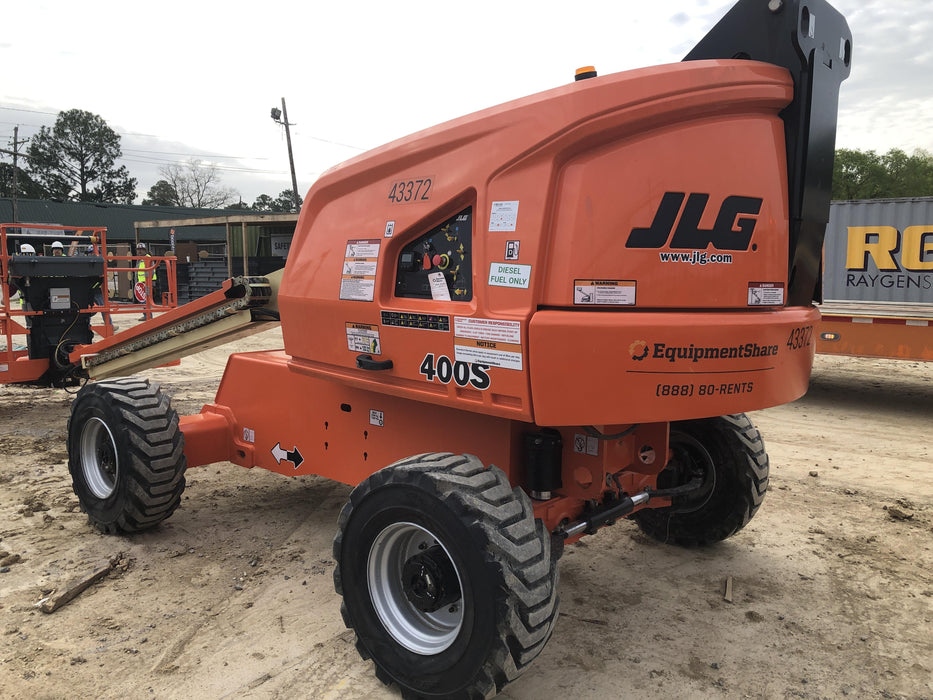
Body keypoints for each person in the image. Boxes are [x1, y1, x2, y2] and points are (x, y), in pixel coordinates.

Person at [136, 242, 157, 320]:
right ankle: (146, 315)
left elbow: (151, 271)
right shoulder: (140, 259)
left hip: (147, 282)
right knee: (143, 299)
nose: (140, 251)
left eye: (141, 250)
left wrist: (148, 282)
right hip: (142, 282)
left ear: (145, 250)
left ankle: (148, 316)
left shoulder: (147, 258)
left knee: (145, 300)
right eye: (138, 250)